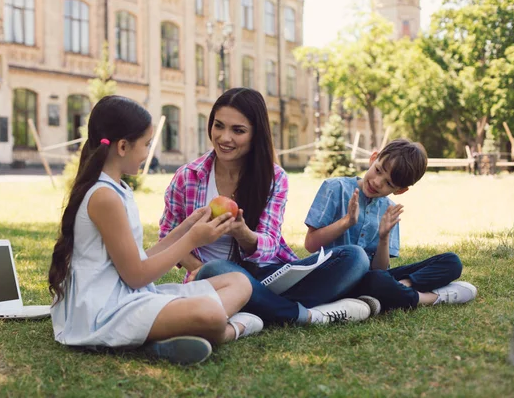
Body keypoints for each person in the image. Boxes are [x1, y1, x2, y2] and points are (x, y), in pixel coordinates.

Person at [48, 95, 264, 366]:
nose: (148, 152)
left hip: (128, 297)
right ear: (124, 147)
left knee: (239, 282)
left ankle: (159, 337)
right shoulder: (104, 197)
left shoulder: (117, 189)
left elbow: (139, 258)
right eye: (147, 144)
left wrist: (187, 226)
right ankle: (231, 330)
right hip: (105, 312)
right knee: (211, 313)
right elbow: (137, 276)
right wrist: (193, 240)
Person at [159, 87, 372, 326]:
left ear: (255, 134)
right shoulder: (187, 176)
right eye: (218, 126)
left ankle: (255, 305)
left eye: (238, 130)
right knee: (217, 269)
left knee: (355, 258)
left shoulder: (274, 178)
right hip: (214, 276)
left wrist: (242, 233)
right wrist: (197, 268)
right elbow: (168, 235)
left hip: (270, 275)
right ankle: (301, 314)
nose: (224, 137)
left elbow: (269, 247)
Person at [304, 138, 478, 313]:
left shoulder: (389, 210)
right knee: (373, 275)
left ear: (400, 190)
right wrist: (346, 222)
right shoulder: (335, 188)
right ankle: (429, 298)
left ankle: (396, 288)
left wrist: (384, 238)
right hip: (331, 278)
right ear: (373, 159)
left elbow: (379, 270)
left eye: (389, 183)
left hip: (369, 282)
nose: (378, 182)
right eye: (378, 170)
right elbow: (310, 244)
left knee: (451, 262)